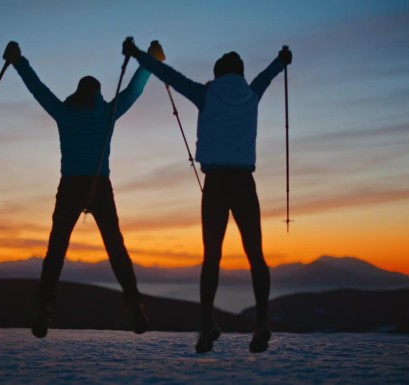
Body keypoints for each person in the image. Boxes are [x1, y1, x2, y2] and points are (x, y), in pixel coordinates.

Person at [123, 40, 292, 353]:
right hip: (244, 183)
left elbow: (166, 74)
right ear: (240, 74)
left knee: (211, 257)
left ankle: (206, 327)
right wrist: (282, 60)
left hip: (215, 184)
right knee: (255, 255)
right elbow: (269, 75)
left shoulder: (206, 94)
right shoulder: (252, 92)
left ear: (217, 73)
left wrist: (136, 55)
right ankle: (262, 322)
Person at [2, 40, 165, 338]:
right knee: (116, 248)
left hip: (70, 185)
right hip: (100, 185)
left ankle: (43, 309)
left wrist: (18, 61)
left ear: (77, 92)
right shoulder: (107, 113)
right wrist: (149, 61)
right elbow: (134, 91)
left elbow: (37, 88)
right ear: (99, 93)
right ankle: (135, 306)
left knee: (57, 249)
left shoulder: (64, 113)